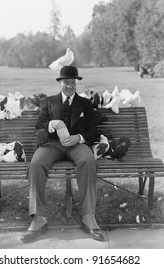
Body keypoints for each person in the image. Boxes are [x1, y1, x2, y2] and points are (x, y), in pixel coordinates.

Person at [21, 65, 105, 243]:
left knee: (88, 161)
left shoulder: (85, 104)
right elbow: (39, 127)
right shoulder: (49, 102)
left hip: (76, 145)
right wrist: (52, 124)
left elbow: (93, 132)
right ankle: (38, 219)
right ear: (60, 83)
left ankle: (88, 217)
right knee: (36, 164)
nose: (71, 86)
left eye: (74, 82)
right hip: (52, 144)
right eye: (67, 82)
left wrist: (78, 137)